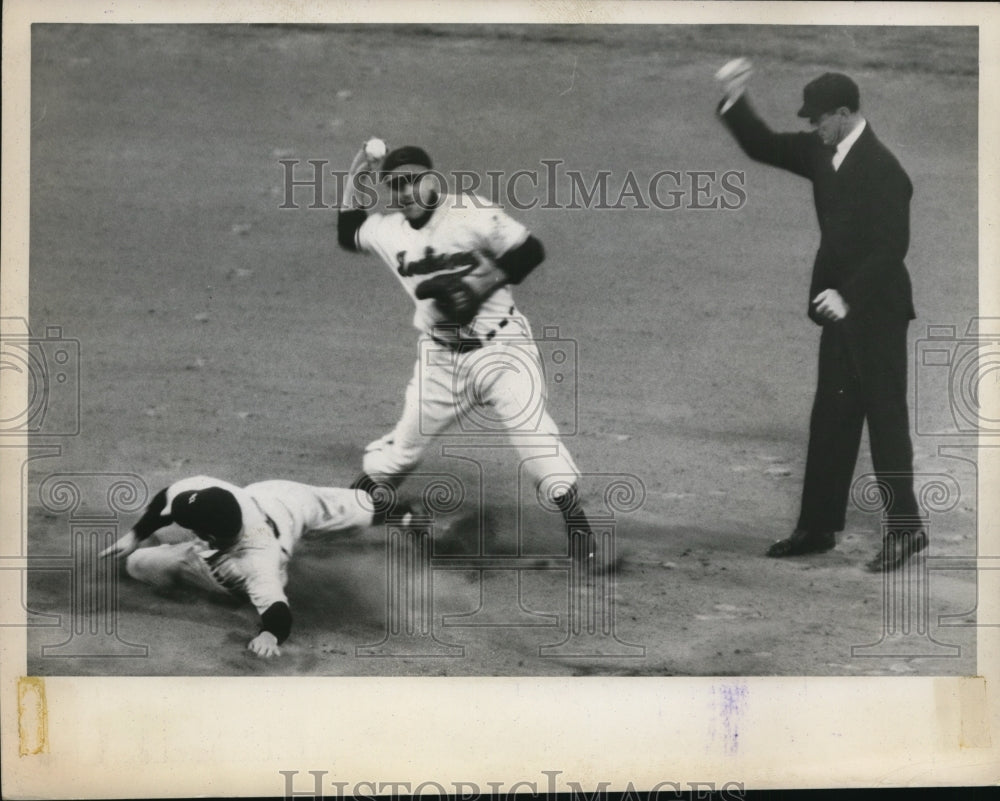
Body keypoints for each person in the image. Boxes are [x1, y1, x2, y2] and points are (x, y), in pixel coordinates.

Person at [336, 142, 600, 566]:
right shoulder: (389, 232)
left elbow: (530, 251)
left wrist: (479, 286)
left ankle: (580, 530)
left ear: (431, 180)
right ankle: (341, 513)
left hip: (502, 350)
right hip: (440, 363)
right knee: (400, 452)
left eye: (410, 182)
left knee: (534, 436)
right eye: (394, 186)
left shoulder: (470, 212)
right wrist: (355, 175)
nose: (403, 193)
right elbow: (348, 232)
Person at [715, 64, 925, 572]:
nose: (813, 128)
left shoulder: (885, 170)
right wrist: (735, 99)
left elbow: (890, 249)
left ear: (845, 114)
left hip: (876, 310)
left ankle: (907, 529)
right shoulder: (820, 152)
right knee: (831, 416)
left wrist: (849, 296)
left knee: (885, 418)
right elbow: (763, 145)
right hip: (837, 310)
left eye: (819, 120)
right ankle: (817, 527)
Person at [99, 475, 400, 657]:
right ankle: (386, 511)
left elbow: (278, 613)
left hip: (281, 527)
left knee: (234, 582)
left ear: (208, 534)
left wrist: (269, 635)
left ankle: (403, 516)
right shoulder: (217, 492)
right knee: (135, 561)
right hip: (274, 496)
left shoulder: (258, 561)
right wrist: (135, 535)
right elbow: (168, 497)